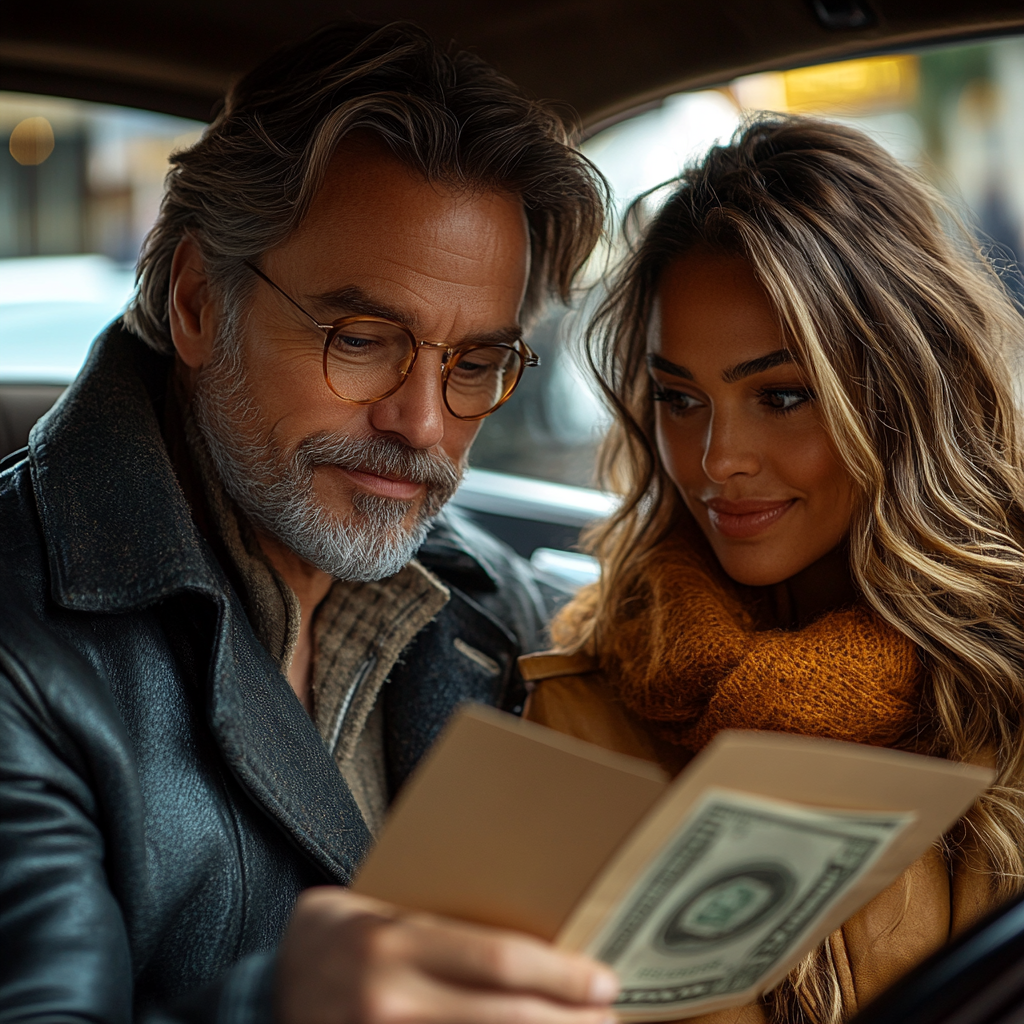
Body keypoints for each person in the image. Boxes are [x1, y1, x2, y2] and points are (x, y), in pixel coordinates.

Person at [0, 20, 622, 1024]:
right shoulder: (22, 650)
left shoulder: (486, 601)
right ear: (200, 301)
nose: (422, 422)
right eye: (362, 337)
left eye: (473, 365)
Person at [523, 115, 1024, 1023]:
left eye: (781, 396)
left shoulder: (1001, 677)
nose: (717, 459)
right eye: (680, 400)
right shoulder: (585, 702)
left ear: (904, 393)